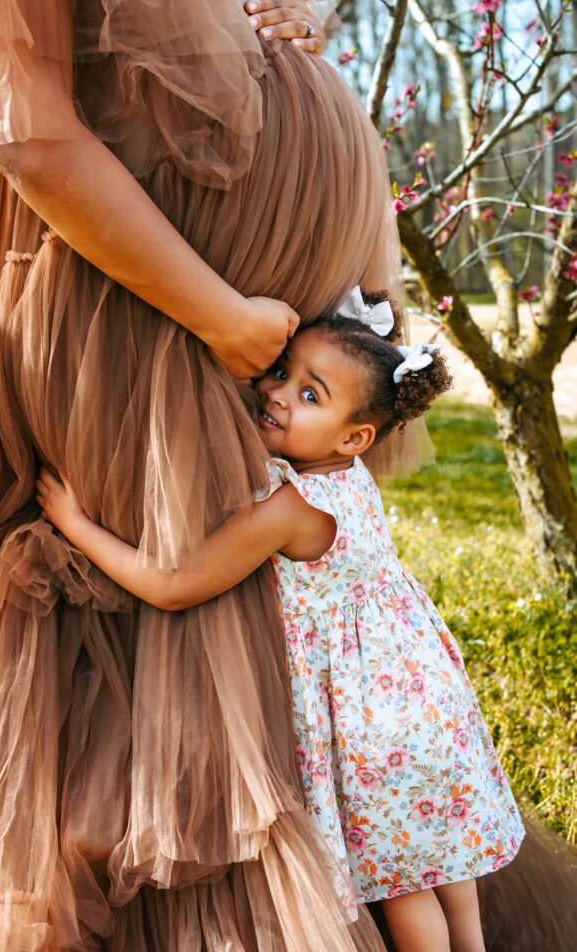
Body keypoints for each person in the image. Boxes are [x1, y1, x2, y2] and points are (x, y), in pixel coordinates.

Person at [0, 0, 414, 948]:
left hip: (243, 327)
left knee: (241, 615)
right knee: (129, 629)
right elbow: (26, 125)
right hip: (132, 317)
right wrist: (218, 312)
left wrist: (294, 6)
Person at [36, 306, 526, 952]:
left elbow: (173, 584)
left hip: (371, 727)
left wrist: (74, 523)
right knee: (444, 865)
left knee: (401, 886)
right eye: (280, 372)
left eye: (308, 393)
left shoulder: (290, 509)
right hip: (426, 699)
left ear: (353, 437)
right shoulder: (347, 481)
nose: (273, 392)